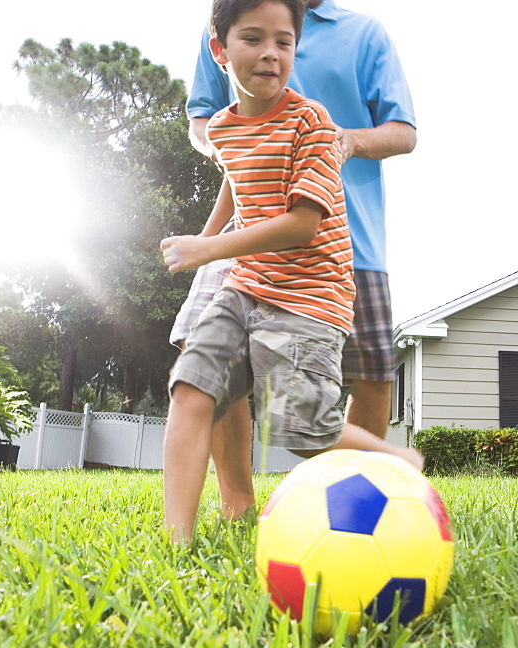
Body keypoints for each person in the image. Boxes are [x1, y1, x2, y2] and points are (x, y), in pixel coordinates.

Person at [161, 0, 421, 543]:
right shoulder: (227, 116)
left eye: (283, 43)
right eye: (252, 40)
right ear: (222, 49)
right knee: (192, 383)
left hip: (319, 276)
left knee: (309, 420)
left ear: (294, 48)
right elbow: (231, 164)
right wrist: (207, 242)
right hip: (247, 274)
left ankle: (387, 466)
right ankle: (179, 540)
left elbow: (305, 222)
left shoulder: (320, 109)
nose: (269, 53)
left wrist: (207, 250)